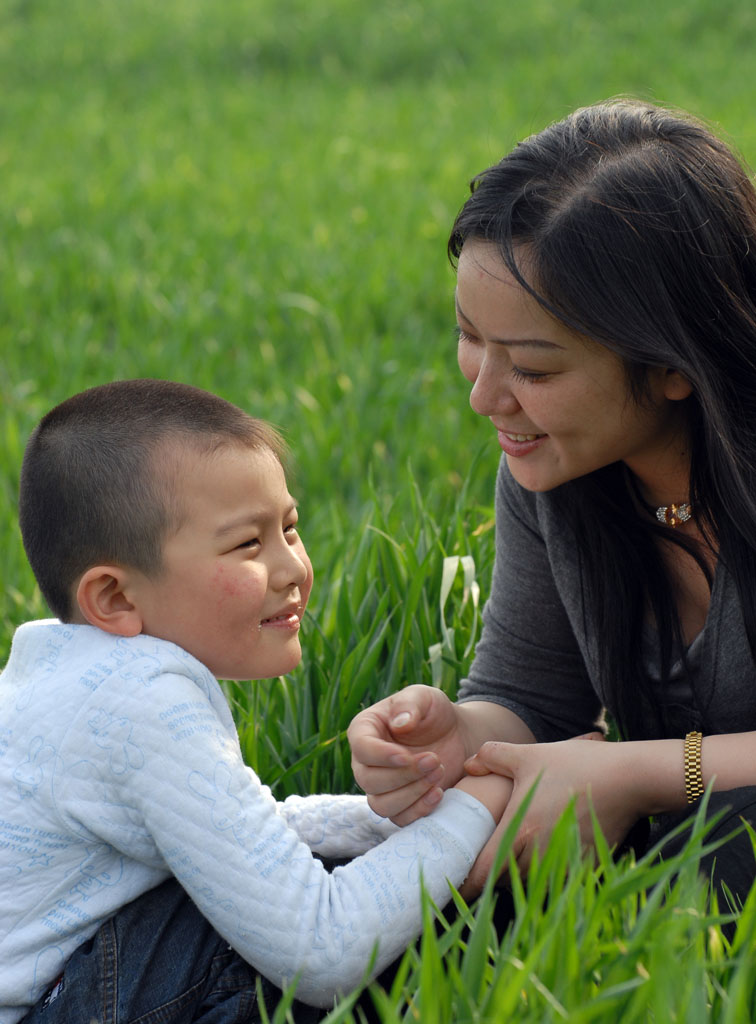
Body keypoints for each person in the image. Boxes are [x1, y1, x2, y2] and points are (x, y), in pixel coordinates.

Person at [348, 98, 756, 906]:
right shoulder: (557, 476)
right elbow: (531, 698)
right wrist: (452, 737)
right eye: (470, 336)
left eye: (534, 369)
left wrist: (634, 771)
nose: (484, 396)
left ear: (676, 365)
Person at [0, 379, 508, 1024]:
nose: (294, 567)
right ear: (116, 598)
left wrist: (403, 817)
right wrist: (477, 809)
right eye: (248, 544)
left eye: (289, 529)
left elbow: (251, 833)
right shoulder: (142, 699)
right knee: (263, 939)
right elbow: (321, 953)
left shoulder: (66, 674)